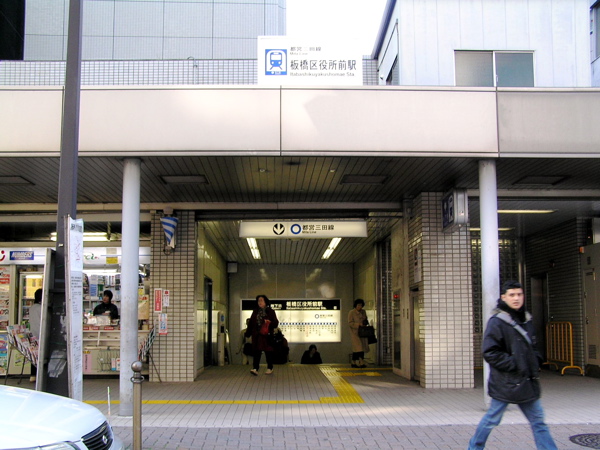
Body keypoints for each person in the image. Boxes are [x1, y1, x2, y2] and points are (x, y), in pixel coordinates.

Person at [468, 280, 557, 450]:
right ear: (504, 297)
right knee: (491, 420)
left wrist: (535, 361)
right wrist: (515, 364)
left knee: (538, 422)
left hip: (527, 382)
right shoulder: (497, 322)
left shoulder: (526, 319)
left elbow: (533, 346)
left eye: (519, 294)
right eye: (512, 295)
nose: (516, 298)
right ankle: (474, 447)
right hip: (506, 383)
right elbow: (490, 352)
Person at [245, 294, 279, 376]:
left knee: (268, 352)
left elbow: (276, 323)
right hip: (257, 335)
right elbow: (251, 323)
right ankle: (255, 368)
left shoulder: (270, 311)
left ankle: (270, 367)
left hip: (267, 335)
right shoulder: (255, 311)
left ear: (265, 302)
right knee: (257, 351)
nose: (259, 302)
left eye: (261, 300)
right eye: (258, 300)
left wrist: (269, 322)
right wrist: (248, 333)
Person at [348, 298, 369, 368]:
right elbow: (350, 323)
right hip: (355, 333)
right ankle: (361, 361)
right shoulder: (351, 312)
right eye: (358, 305)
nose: (360, 307)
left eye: (361, 305)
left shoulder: (363, 312)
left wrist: (365, 323)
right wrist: (358, 324)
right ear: (355, 305)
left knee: (358, 349)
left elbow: (366, 319)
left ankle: (353, 362)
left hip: (362, 333)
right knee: (359, 348)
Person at [28, 288, 43, 382]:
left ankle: (33, 375)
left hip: (33, 334)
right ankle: (40, 375)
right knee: (41, 355)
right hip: (41, 335)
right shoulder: (41, 308)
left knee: (34, 355)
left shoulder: (32, 308)